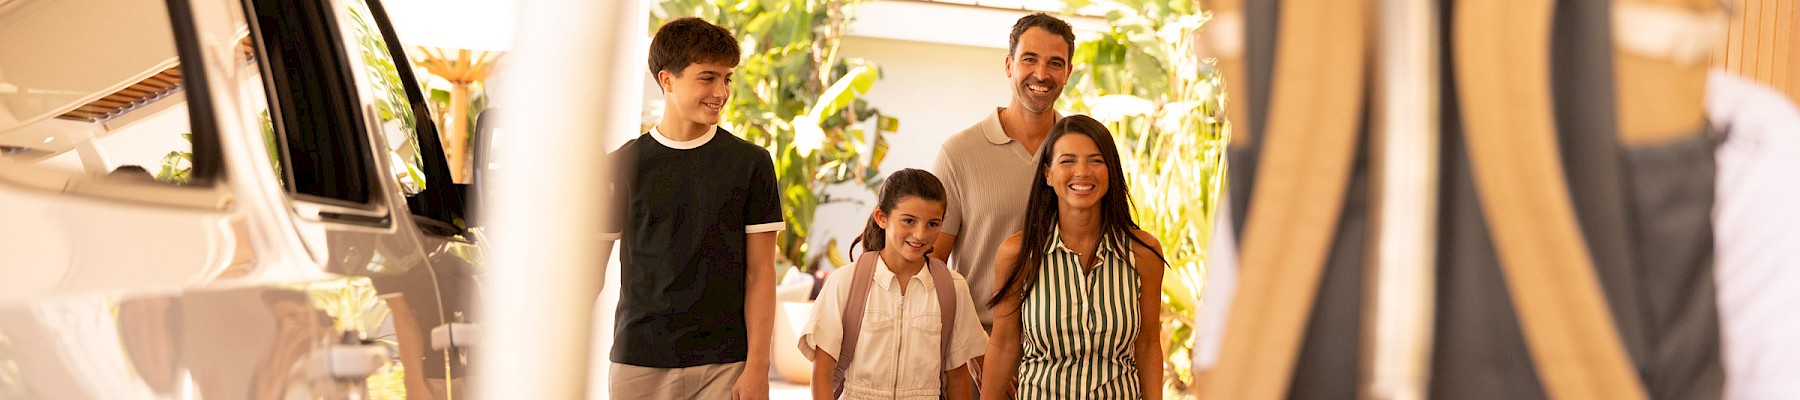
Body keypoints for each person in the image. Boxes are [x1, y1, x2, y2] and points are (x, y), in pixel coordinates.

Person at [599, 17, 782, 400]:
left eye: (727, 79)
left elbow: (761, 274)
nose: (721, 91)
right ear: (667, 79)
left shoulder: (752, 164)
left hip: (724, 366)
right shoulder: (621, 165)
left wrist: (758, 369)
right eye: (708, 78)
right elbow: (588, 274)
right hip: (639, 363)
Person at [982, 115, 1166, 399]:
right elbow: (1004, 344)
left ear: (1111, 171)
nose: (1082, 172)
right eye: (1067, 161)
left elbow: (1148, 344)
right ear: (1048, 174)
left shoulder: (1142, 253)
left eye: (1095, 160)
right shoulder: (1018, 254)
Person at [930, 12, 1077, 333]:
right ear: (1009, 65)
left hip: (1066, 351)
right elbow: (931, 268)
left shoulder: (1082, 155)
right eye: (1030, 59)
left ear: (1067, 73)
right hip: (979, 342)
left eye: (1054, 63)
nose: (1041, 73)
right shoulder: (958, 153)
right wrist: (966, 347)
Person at [799, 169, 988, 400]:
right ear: (882, 218)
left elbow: (957, 377)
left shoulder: (953, 288)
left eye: (932, 224)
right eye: (909, 221)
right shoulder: (845, 282)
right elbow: (822, 375)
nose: (920, 234)